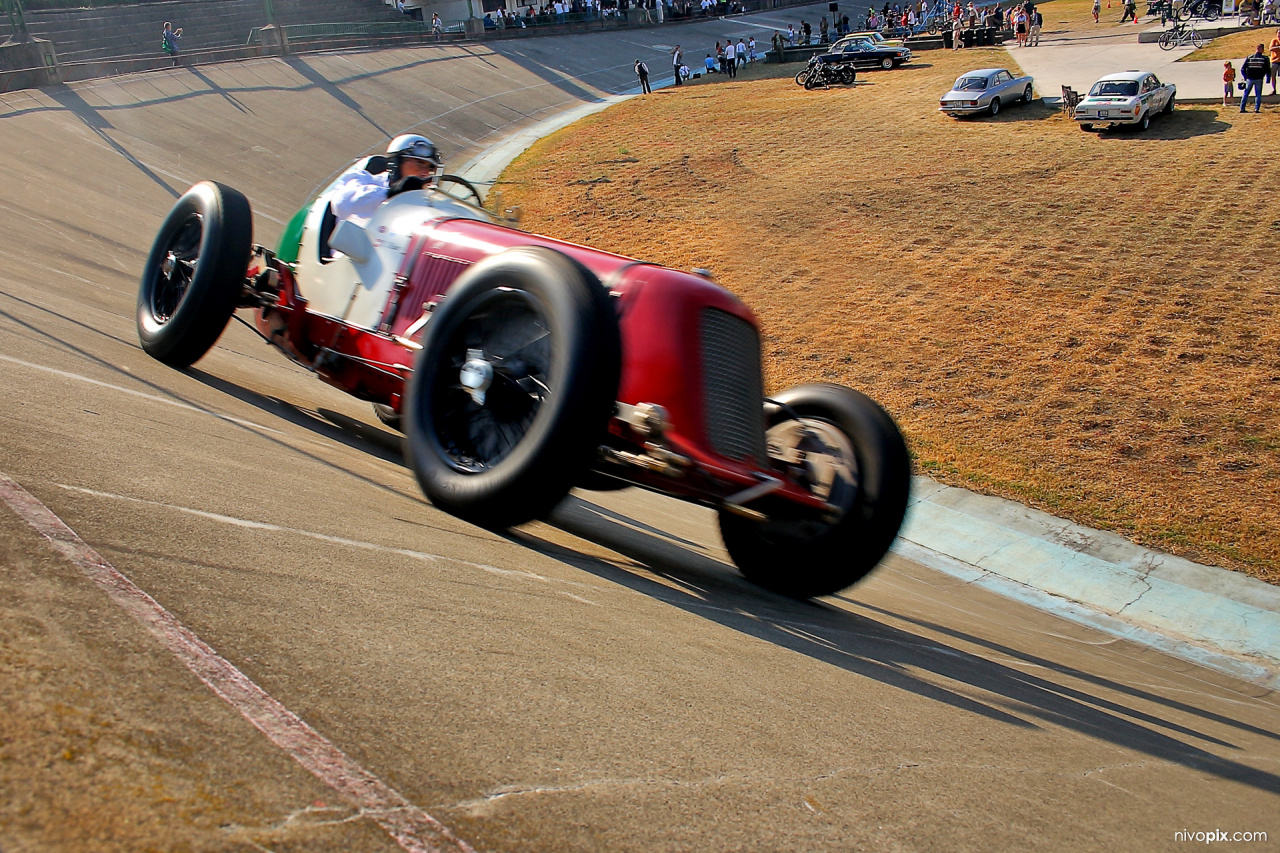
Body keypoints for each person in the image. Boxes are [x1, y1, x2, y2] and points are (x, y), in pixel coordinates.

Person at [331, 135, 442, 227]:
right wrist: (392, 193)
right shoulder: (363, 179)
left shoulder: (424, 200)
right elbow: (341, 203)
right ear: (397, 162)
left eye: (430, 168)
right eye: (420, 163)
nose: (425, 172)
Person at [1240, 43, 1271, 111]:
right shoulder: (1265, 58)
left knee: (1246, 94)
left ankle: (1242, 108)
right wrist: (1268, 78)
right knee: (1258, 94)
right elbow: (1267, 69)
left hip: (1249, 78)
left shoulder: (1249, 57)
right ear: (1262, 50)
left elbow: (1242, 69)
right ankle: (1256, 109)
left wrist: (1245, 77)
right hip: (1259, 78)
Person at [1269, 28, 1280, 94]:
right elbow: (1271, 48)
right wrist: (1278, 48)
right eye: (1278, 33)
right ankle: (1274, 89)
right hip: (1274, 61)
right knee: (1273, 76)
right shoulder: (1274, 41)